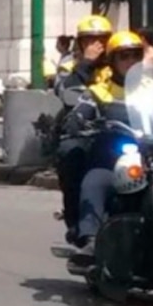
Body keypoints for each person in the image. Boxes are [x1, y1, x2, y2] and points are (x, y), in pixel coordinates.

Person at [65, 30, 153, 265]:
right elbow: (79, 111)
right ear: (112, 61)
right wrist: (77, 120)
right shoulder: (99, 92)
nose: (130, 62)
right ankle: (90, 240)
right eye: (123, 56)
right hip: (111, 161)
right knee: (94, 182)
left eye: (135, 55)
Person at [53, 14, 114, 243]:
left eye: (101, 39)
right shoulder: (70, 65)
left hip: (121, 128)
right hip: (83, 130)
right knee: (71, 155)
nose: (96, 45)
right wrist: (86, 64)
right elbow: (64, 91)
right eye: (89, 40)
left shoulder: (119, 63)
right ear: (80, 43)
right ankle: (77, 223)